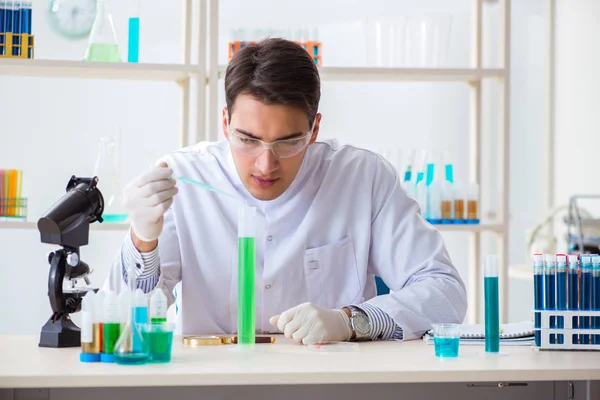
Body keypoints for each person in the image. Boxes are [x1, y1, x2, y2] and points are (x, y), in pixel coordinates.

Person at [104, 38, 467, 345]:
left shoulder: (361, 177)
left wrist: (352, 320)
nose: (266, 164)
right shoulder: (182, 177)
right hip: (214, 383)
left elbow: (445, 292)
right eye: (247, 139)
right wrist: (142, 242)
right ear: (226, 122)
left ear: (314, 130)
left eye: (288, 142)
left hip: (329, 384)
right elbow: (122, 327)